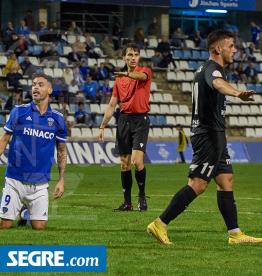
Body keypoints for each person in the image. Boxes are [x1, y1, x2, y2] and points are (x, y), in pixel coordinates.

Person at [147, 29, 262, 245]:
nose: (235, 50)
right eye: (231, 46)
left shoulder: (206, 67)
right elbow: (217, 83)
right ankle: (159, 224)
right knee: (198, 184)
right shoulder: (212, 69)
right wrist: (237, 93)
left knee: (226, 180)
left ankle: (235, 234)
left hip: (216, 133)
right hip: (208, 134)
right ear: (218, 48)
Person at [0, 72, 67, 231]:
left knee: (40, 227)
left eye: (40, 85)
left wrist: (62, 179)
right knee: (3, 226)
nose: (36, 87)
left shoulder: (57, 119)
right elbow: (3, 139)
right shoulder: (19, 112)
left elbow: (61, 151)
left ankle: (24, 214)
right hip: (15, 180)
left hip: (41, 183)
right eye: (34, 84)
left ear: (50, 90)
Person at [98, 42, 152, 212]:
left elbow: (141, 77)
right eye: (130, 55)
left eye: (136, 54)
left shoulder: (145, 71)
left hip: (140, 121)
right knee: (124, 163)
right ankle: (127, 203)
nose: (133, 57)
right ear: (124, 57)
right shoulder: (119, 80)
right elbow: (112, 105)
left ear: (139, 57)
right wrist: (102, 126)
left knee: (137, 161)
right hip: (124, 120)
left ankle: (142, 196)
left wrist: (128, 74)